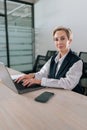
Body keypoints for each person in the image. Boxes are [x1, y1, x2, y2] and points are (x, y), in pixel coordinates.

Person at [16, 26, 83, 94]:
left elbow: (68, 83)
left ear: (69, 41)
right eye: (56, 39)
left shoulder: (77, 61)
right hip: (56, 92)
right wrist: (32, 75)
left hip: (72, 95)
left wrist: (40, 81)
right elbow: (43, 73)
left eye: (62, 39)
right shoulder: (53, 58)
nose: (59, 42)